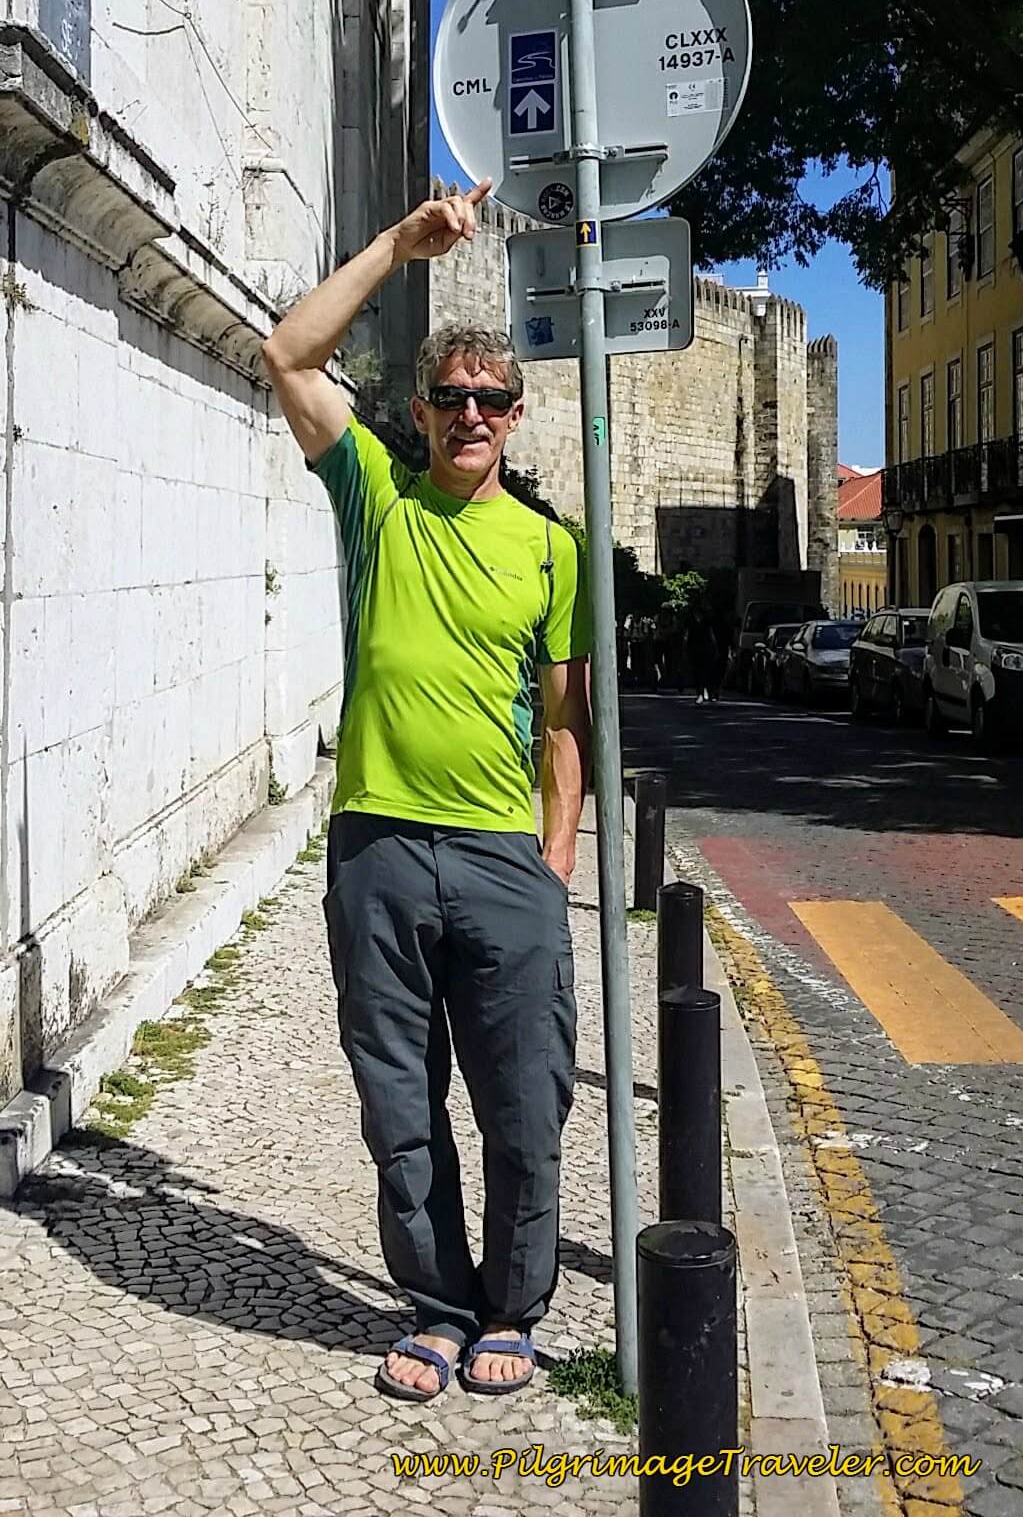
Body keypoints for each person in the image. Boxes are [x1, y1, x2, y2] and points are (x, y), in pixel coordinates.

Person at [261, 179, 591, 1403]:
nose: (469, 414)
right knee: (400, 1102)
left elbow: (565, 724)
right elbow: (286, 351)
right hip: (379, 849)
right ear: (421, 408)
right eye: (449, 397)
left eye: (489, 400)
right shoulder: (378, 500)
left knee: (522, 1101)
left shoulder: (554, 548)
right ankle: (437, 1304)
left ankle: (514, 1304)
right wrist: (401, 243)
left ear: (513, 416)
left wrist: (555, 864)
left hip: (506, 860)